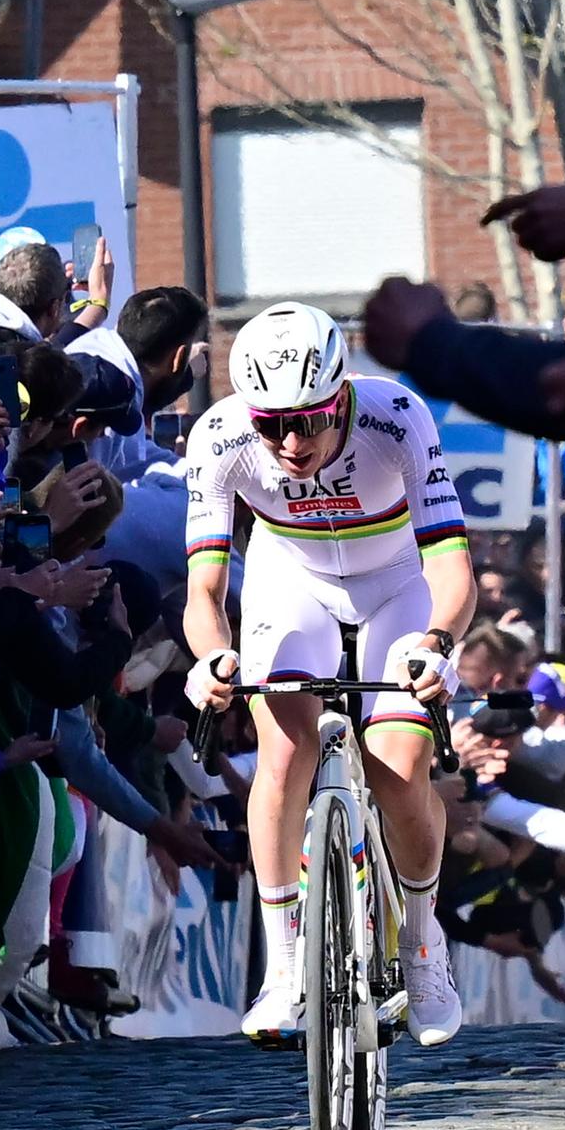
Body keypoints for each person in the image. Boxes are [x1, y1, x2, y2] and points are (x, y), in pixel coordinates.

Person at [181, 301, 474, 1047]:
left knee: (399, 765)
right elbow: (204, 595)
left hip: (399, 583)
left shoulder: (398, 417)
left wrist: (438, 643)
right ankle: (284, 966)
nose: (288, 442)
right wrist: (212, 659)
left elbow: (452, 567)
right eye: (270, 425)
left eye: (306, 421)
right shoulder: (219, 438)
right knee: (282, 750)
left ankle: (421, 944)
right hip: (292, 578)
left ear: (341, 396)